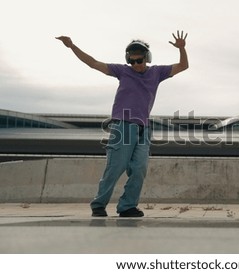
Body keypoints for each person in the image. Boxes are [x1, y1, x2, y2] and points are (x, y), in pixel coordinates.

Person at [56, 31, 189, 217]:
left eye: (139, 60)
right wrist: (72, 46)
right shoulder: (122, 71)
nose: (136, 65)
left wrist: (182, 48)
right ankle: (99, 204)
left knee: (139, 169)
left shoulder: (157, 73)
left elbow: (183, 65)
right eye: (132, 61)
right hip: (123, 126)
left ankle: (127, 206)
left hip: (144, 128)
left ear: (147, 58)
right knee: (116, 167)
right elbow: (93, 63)